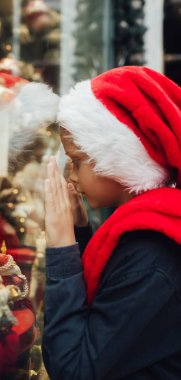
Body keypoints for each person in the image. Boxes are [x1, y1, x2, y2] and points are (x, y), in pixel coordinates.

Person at [42, 66, 181, 380]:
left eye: (76, 161)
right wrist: (79, 233)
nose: (71, 176)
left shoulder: (152, 256)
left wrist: (62, 251)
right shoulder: (149, 226)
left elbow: (72, 369)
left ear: (117, 157)